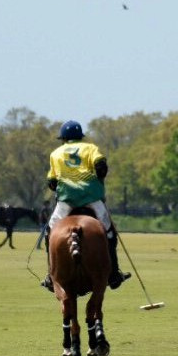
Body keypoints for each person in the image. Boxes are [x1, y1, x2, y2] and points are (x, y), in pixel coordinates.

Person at [40, 120, 130, 292]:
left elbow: (51, 182)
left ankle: (51, 276)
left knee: (50, 233)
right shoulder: (90, 148)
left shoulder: (55, 153)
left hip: (67, 199)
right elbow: (101, 165)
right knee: (109, 232)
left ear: (64, 138)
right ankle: (114, 274)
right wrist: (99, 178)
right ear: (80, 136)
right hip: (92, 197)